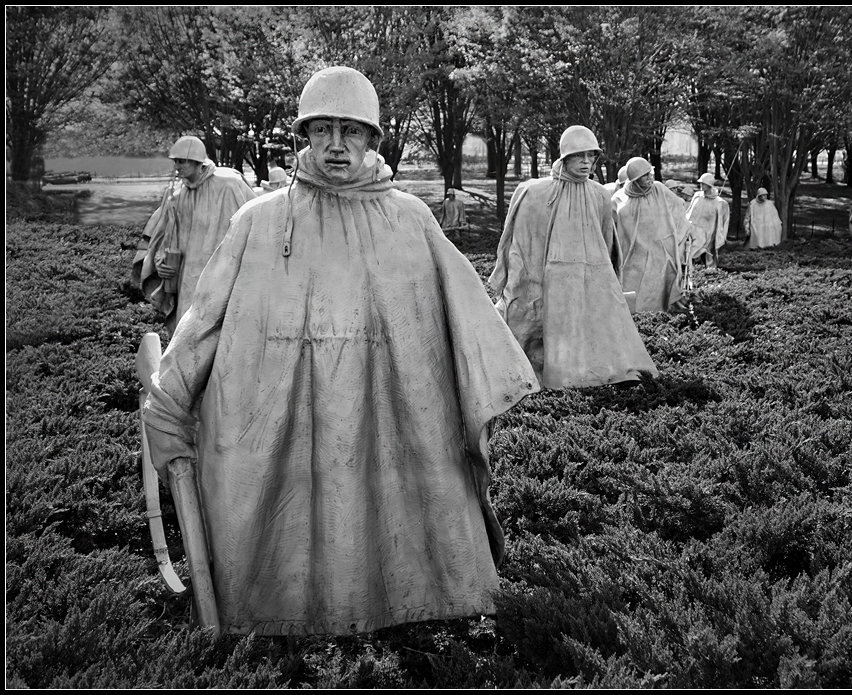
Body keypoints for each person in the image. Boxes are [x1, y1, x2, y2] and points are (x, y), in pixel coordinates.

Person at [141, 66, 540, 636]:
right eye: (321, 128)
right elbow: (204, 320)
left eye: (350, 130)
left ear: (372, 138)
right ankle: (279, 609)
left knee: (396, 512)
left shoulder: (409, 220)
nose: (335, 144)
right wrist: (168, 399)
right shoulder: (260, 221)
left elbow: (465, 318)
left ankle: (411, 596)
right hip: (280, 416)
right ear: (304, 134)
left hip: (391, 412)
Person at [489, 125, 658, 389]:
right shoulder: (538, 193)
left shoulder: (599, 194)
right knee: (552, 334)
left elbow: (608, 241)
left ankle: (603, 373)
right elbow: (523, 244)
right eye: (579, 156)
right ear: (565, 157)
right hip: (554, 275)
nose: (586, 162)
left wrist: (610, 279)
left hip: (594, 273)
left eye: (591, 156)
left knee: (599, 332)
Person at [134, 135, 256, 333]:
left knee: (222, 331)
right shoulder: (177, 195)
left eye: (182, 161)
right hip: (187, 279)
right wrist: (161, 262)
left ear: (198, 161)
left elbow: (256, 223)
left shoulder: (229, 185)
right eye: (176, 161)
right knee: (186, 331)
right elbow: (166, 238)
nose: (177, 167)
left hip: (222, 276)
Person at [611, 157, 694, 313]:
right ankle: (640, 320)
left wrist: (685, 229)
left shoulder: (659, 189)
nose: (650, 177)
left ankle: (661, 319)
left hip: (662, 252)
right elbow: (613, 231)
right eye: (645, 175)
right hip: (634, 256)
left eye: (650, 173)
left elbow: (678, 206)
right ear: (635, 179)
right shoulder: (618, 199)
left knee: (663, 287)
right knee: (635, 289)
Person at [684, 171, 730, 272]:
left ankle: (708, 272)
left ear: (710, 185)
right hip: (693, 231)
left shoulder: (720, 203)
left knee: (707, 255)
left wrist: (721, 236)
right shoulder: (697, 196)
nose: (701, 185)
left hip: (708, 233)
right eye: (701, 183)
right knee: (689, 252)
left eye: (704, 183)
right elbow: (689, 212)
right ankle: (690, 271)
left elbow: (723, 222)